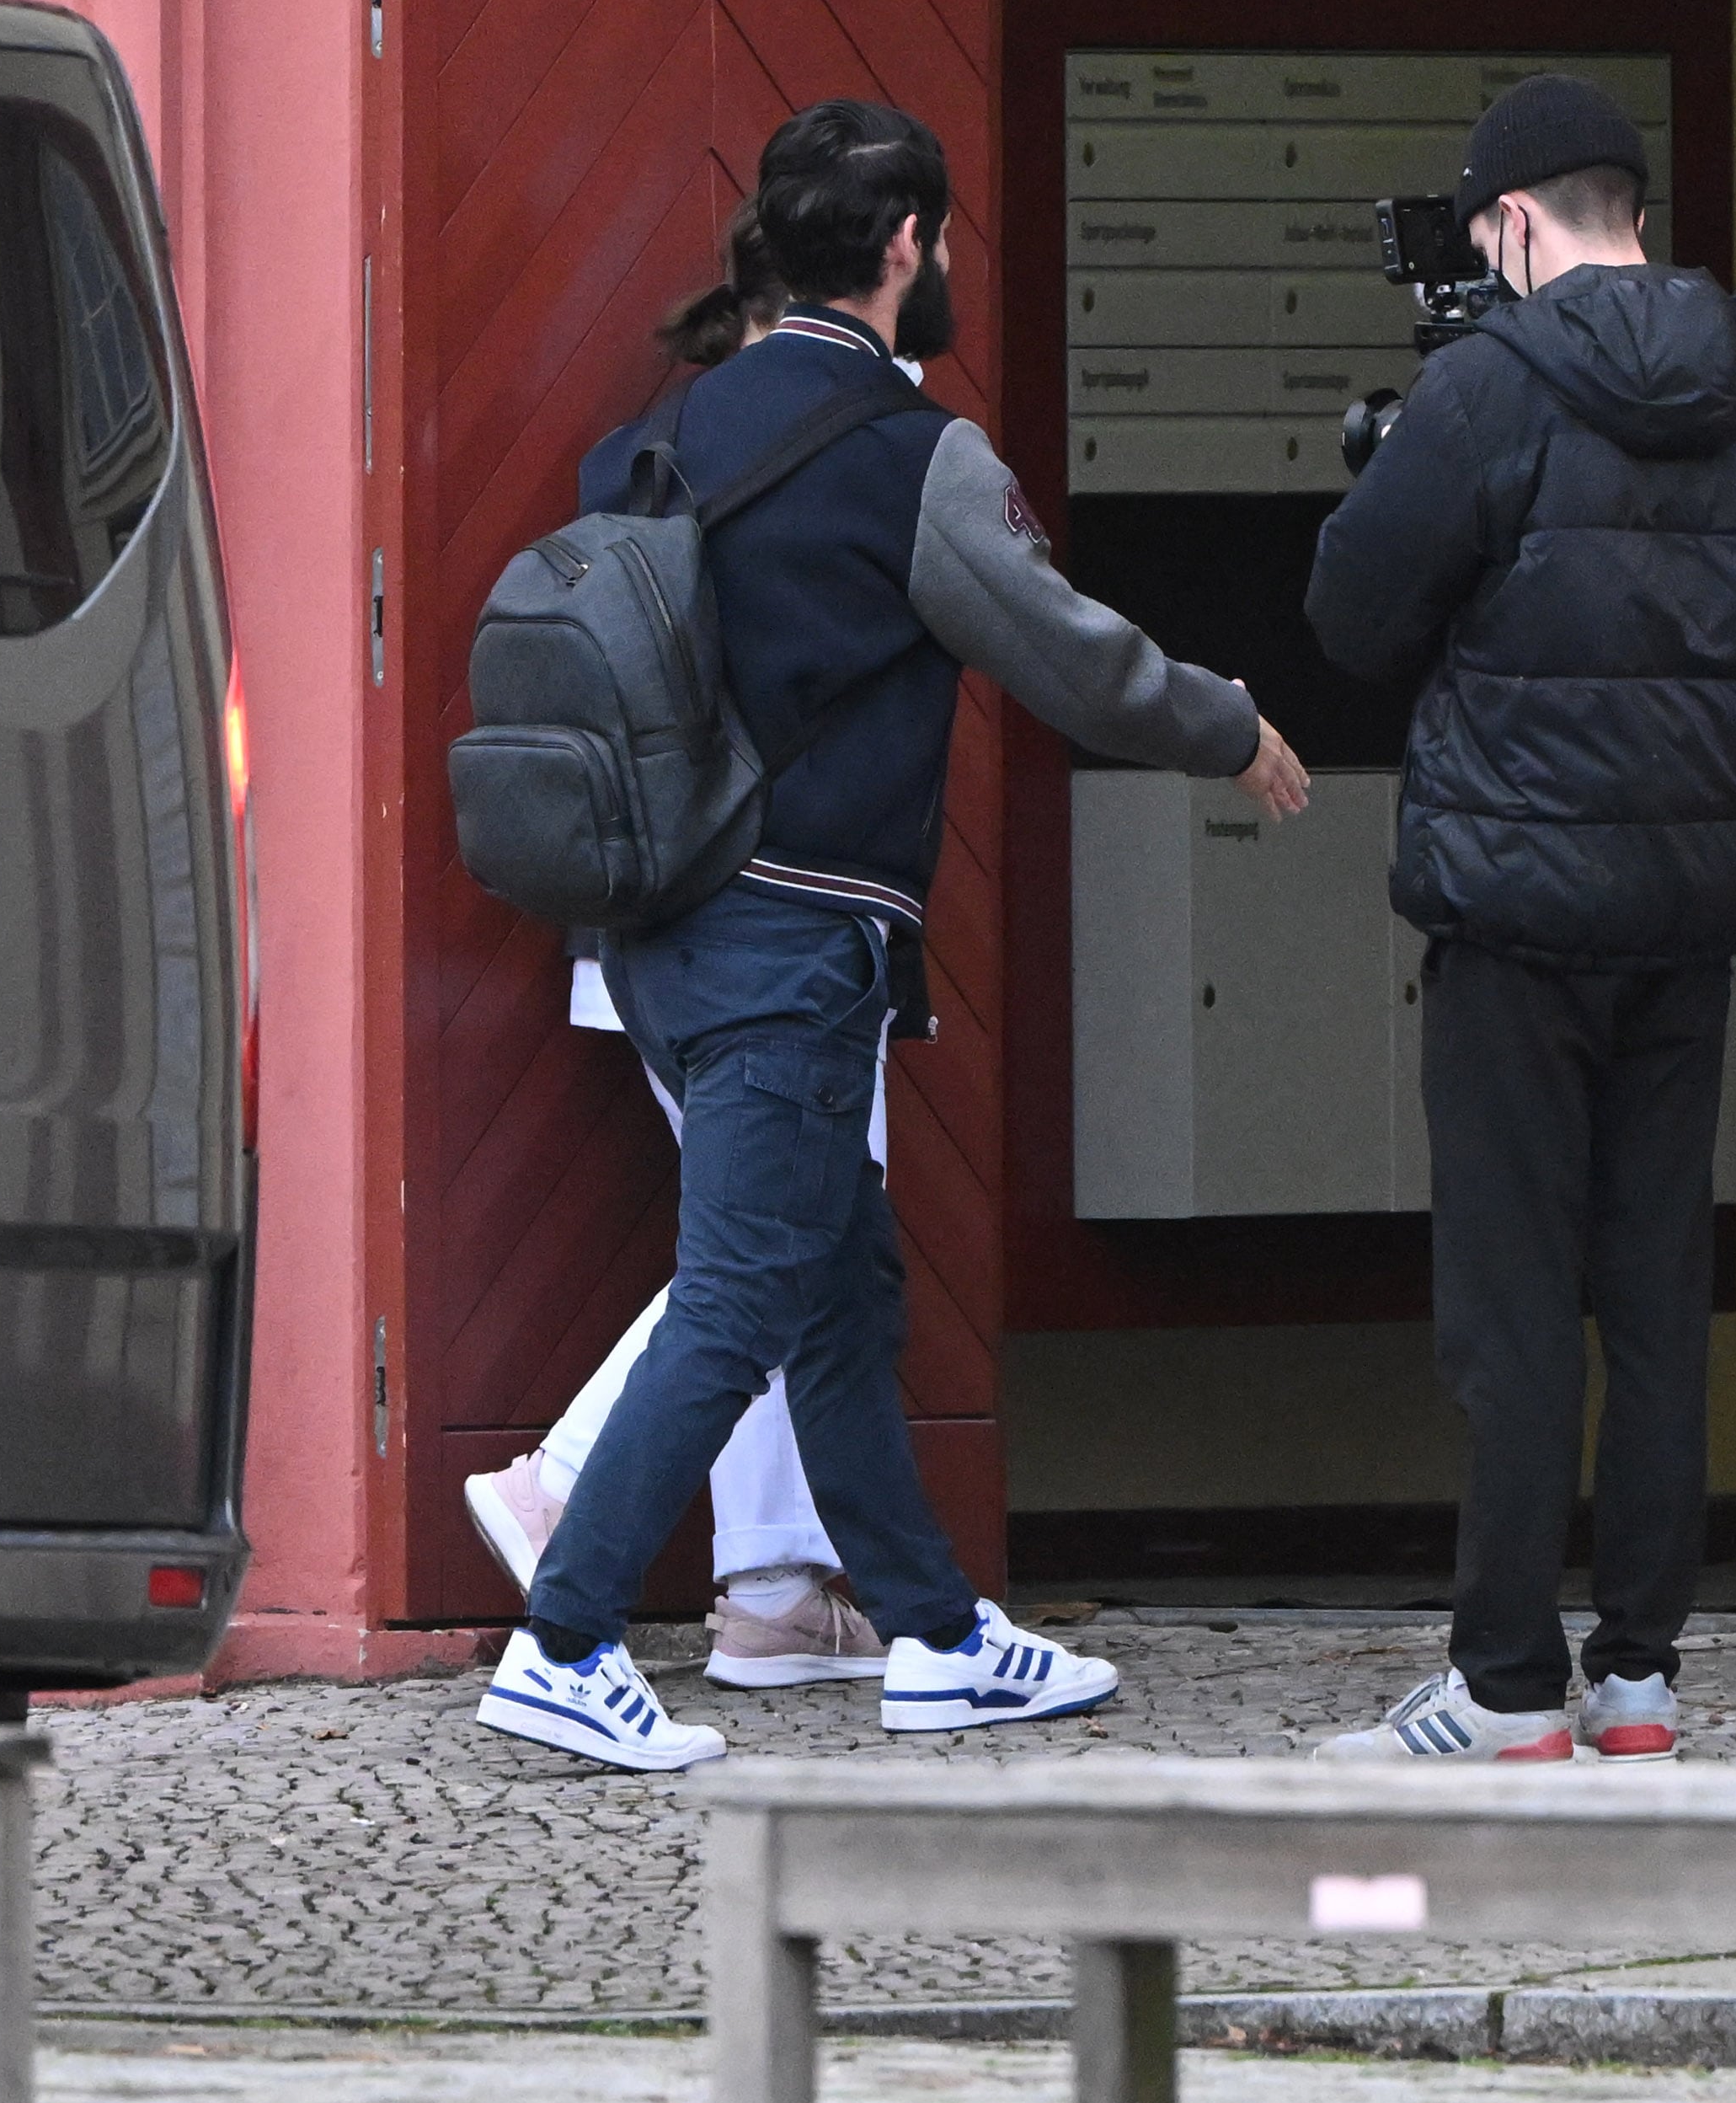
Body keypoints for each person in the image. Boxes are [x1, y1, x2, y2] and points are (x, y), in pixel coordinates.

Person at [479, 100, 1311, 1772]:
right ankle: (563, 1639)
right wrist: (1228, 725)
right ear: (908, 246)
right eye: (941, 243)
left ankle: (933, 1632)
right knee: (736, 1297)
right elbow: (1066, 648)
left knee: (838, 1286)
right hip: (794, 938)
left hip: (659, 928)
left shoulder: (663, 434)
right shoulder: (907, 450)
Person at [1304, 74, 1736, 1763]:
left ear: (1513, 222)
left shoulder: (1481, 388)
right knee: (1655, 1285)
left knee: (1517, 1300)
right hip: (1689, 898)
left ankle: (1507, 1681)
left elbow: (1353, 616)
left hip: (1515, 907)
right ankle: (1645, 1673)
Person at [463, 205, 897, 1689]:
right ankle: (580, 1504)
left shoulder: (636, 459)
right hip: (772, 918)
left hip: (639, 910)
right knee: (770, 1238)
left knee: (798, 1231)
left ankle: (787, 1584)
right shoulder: (824, 461)